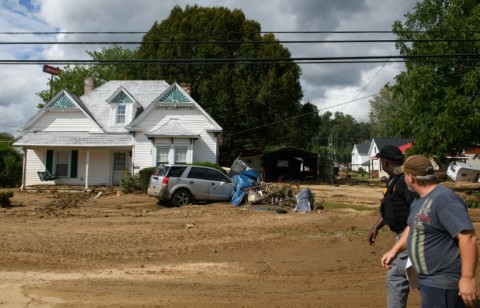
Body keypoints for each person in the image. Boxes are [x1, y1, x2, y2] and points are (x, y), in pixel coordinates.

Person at [381, 155, 478, 308]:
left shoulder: (445, 200)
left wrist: (467, 278)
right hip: (428, 282)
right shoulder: (420, 200)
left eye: (405, 174)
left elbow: (468, 237)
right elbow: (412, 226)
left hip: (444, 284)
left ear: (411, 178)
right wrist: (395, 250)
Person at [368, 145, 418, 308]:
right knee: (405, 278)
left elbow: (417, 210)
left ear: (385, 162)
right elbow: (391, 208)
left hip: (410, 238)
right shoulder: (394, 181)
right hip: (404, 238)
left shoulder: (406, 182)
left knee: (399, 278)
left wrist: (409, 237)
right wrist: (376, 227)